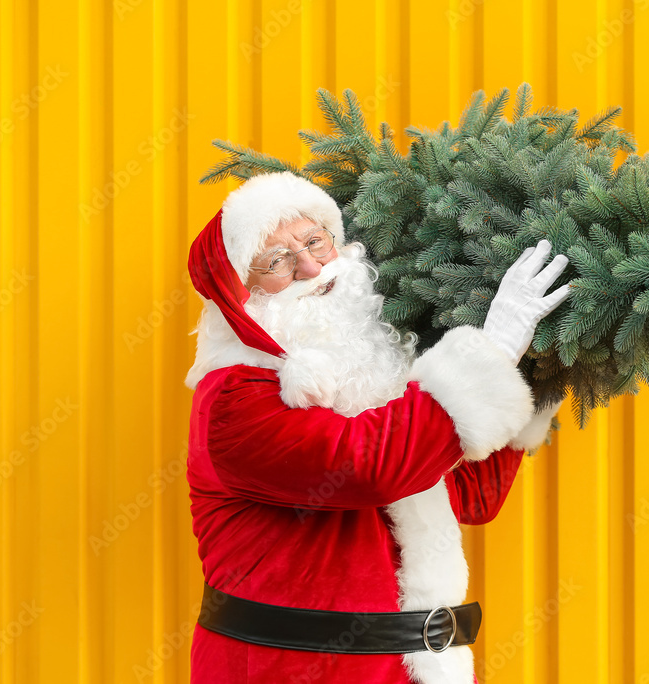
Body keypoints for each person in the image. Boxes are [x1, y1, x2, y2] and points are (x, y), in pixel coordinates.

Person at [184, 171, 573, 684]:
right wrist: (492, 350)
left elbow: (471, 496)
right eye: (276, 261)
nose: (308, 267)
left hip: (422, 669)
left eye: (315, 242)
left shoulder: (377, 381)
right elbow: (366, 467)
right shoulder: (234, 398)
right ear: (241, 294)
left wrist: (537, 367)